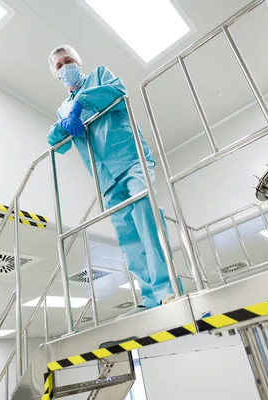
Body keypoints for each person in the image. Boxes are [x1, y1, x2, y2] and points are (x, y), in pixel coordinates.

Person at [46, 45, 181, 315]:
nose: (65, 67)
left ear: (79, 61)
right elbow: (56, 144)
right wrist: (61, 125)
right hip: (104, 177)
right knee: (127, 235)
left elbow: (117, 91)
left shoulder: (100, 75)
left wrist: (81, 103)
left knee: (146, 215)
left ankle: (167, 289)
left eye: (69, 60)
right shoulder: (63, 109)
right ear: (56, 74)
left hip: (131, 160)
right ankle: (150, 296)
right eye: (59, 65)